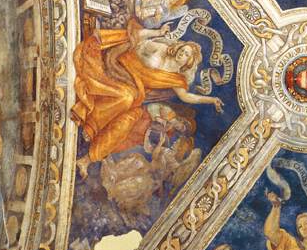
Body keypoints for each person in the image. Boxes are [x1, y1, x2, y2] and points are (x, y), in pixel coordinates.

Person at [72, 20, 222, 177]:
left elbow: (187, 97)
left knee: (128, 119)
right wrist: (157, 32)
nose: (182, 54)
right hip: (118, 66)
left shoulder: (176, 79)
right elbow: (137, 38)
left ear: (189, 62)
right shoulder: (161, 48)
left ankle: (87, 159)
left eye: (186, 55)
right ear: (178, 47)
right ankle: (91, 126)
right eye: (182, 50)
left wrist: (210, 100)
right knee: (126, 98)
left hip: (135, 87)